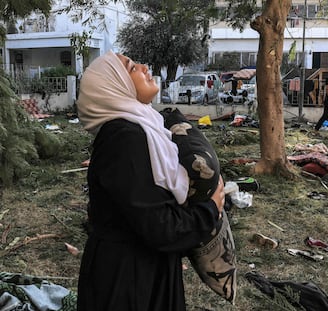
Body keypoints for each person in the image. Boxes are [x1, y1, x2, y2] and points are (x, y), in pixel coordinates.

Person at [76, 50, 225, 311]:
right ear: (114, 85)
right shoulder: (124, 138)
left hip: (140, 269)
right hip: (129, 282)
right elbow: (159, 226)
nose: (145, 67)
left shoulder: (140, 129)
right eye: (132, 67)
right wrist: (211, 209)